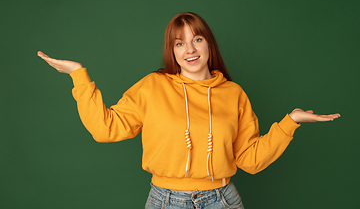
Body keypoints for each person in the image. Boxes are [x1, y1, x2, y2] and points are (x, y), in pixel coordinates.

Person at [38, 12, 340, 209]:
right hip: (165, 201)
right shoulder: (153, 86)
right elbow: (106, 129)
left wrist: (290, 122)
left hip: (223, 200)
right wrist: (78, 75)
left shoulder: (233, 94)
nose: (190, 50)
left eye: (196, 39)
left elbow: (249, 159)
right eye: (179, 43)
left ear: (209, 44)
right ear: (172, 51)